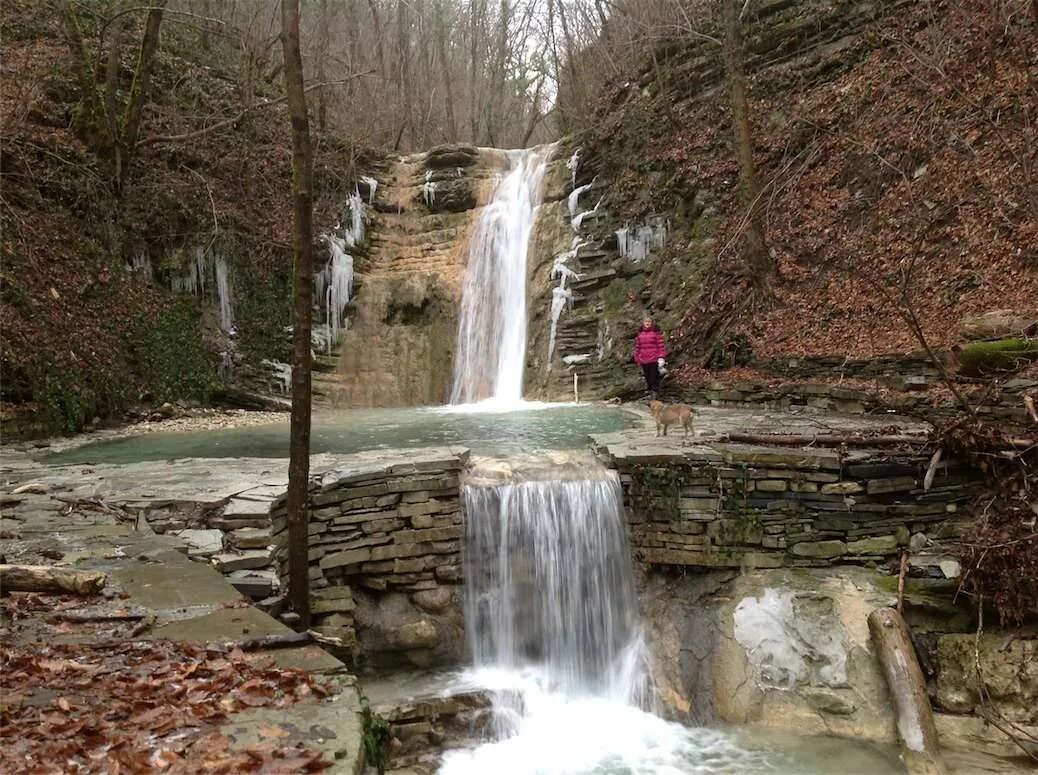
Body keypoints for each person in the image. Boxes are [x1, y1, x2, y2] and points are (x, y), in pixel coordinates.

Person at [633, 317, 667, 396]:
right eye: (646, 322)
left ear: (651, 323)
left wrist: (661, 357)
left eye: (649, 322)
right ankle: (649, 390)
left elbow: (660, 345)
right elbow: (638, 347)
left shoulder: (655, 333)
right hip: (643, 358)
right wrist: (637, 357)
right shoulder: (640, 334)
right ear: (643, 323)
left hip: (653, 358)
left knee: (653, 375)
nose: (647, 323)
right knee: (647, 375)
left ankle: (655, 390)